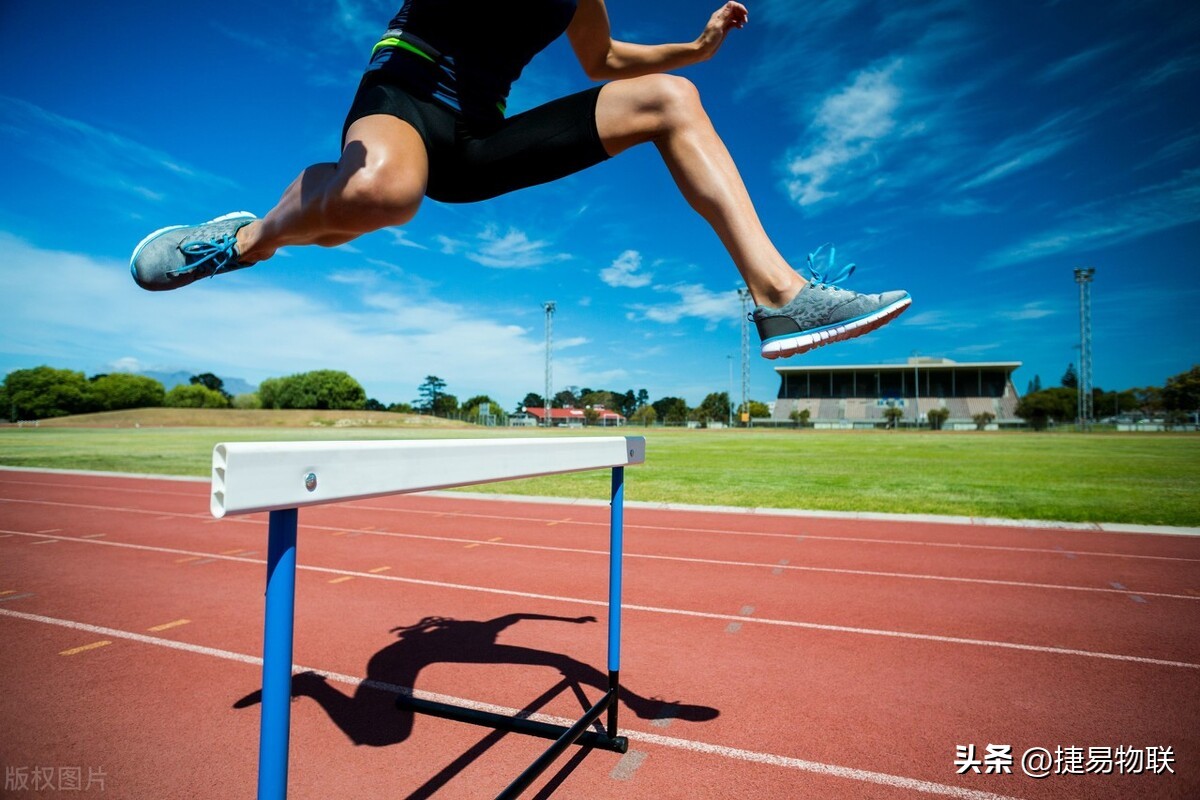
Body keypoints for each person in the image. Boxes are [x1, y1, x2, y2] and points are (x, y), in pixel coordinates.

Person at [129, 1, 910, 358]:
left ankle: (780, 298)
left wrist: (695, 51)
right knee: (381, 194)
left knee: (671, 100)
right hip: (404, 93)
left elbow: (603, 61)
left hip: (477, 142)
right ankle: (241, 240)